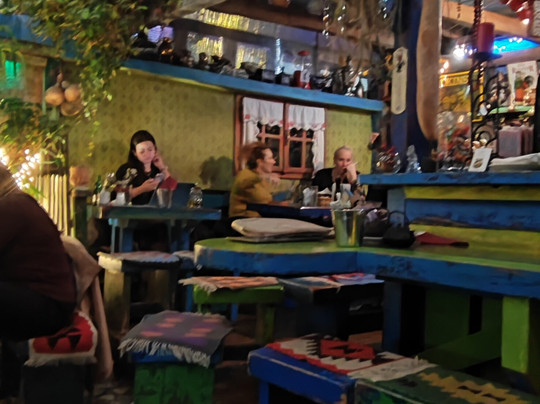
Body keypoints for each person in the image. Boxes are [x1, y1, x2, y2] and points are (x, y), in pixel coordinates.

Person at [0, 165, 77, 397]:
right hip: (45, 301)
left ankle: (8, 384)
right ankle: (8, 384)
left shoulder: (11, 207)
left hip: (49, 307)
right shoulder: (17, 202)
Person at [115, 129, 177, 205]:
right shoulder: (127, 170)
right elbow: (117, 197)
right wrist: (142, 189)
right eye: (142, 152)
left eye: (150, 149)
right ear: (135, 153)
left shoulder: (157, 169)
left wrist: (161, 166)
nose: (147, 154)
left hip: (154, 211)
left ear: (155, 149)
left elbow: (172, 189)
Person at [229, 142, 280, 218]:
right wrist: (265, 177)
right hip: (242, 220)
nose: (274, 161)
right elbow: (245, 183)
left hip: (259, 220)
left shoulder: (263, 180)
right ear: (260, 162)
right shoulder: (245, 174)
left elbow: (265, 202)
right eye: (270, 158)